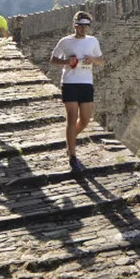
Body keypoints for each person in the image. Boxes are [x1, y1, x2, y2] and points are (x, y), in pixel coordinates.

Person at [50, 11, 104, 171]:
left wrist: (93, 59)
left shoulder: (93, 41)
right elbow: (53, 59)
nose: (83, 29)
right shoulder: (65, 41)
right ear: (75, 26)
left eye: (86, 26)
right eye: (80, 26)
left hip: (86, 83)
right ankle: (72, 156)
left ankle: (70, 141)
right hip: (70, 83)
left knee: (86, 119)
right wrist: (67, 61)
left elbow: (101, 60)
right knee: (72, 118)